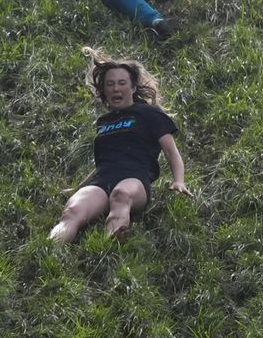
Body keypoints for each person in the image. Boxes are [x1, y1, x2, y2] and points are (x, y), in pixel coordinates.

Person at [49, 48, 191, 243]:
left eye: (122, 83)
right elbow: (105, 161)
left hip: (134, 180)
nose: (116, 88)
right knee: (72, 211)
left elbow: (171, 151)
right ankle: (49, 250)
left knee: (120, 195)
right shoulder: (103, 121)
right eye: (110, 84)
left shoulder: (149, 113)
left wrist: (179, 181)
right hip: (102, 181)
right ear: (104, 91)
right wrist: (80, 186)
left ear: (133, 88)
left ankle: (110, 250)